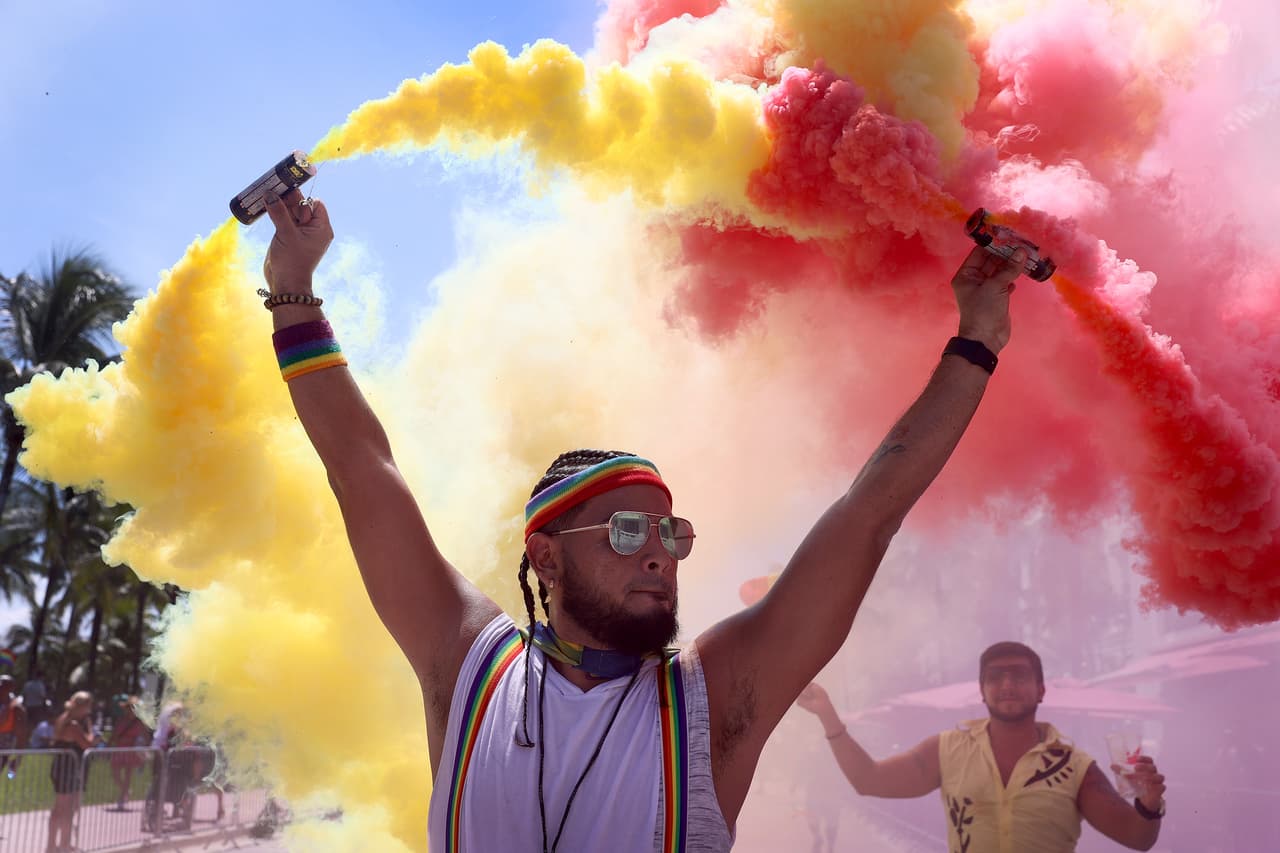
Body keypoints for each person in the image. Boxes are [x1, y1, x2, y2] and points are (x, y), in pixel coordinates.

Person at [259, 187, 1022, 850]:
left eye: (671, 533)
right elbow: (362, 469)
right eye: (627, 532)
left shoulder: (715, 693)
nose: (661, 554)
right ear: (546, 556)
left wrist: (977, 339)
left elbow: (869, 514)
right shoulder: (467, 662)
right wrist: (293, 289)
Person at [796, 642, 1168, 852]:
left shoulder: (1073, 766)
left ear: (1040, 689)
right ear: (982, 690)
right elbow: (869, 780)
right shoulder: (947, 749)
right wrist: (828, 715)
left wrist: (1149, 804)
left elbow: (1137, 837)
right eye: (995, 677)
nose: (1007, 684)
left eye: (1020, 675)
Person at [47, 691, 100, 853]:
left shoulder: (64, 719)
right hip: (67, 767)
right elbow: (87, 744)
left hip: (66, 766)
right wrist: (92, 732)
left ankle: (59, 844)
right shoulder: (73, 724)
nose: (89, 711)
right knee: (64, 808)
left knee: (65, 808)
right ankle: (59, 845)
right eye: (88, 707)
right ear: (82, 707)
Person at [107, 695, 152, 810]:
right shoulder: (121, 720)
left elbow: (146, 737)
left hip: (131, 750)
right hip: (119, 748)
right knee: (115, 774)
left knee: (128, 775)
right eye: (129, 707)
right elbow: (114, 735)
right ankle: (126, 790)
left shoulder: (139, 723)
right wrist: (108, 745)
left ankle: (122, 798)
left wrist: (147, 749)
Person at [0, 674, 29, 777]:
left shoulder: (17, 709)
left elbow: (22, 735)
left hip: (3, 749)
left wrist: (18, 758)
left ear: (10, 689)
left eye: (3, 687)